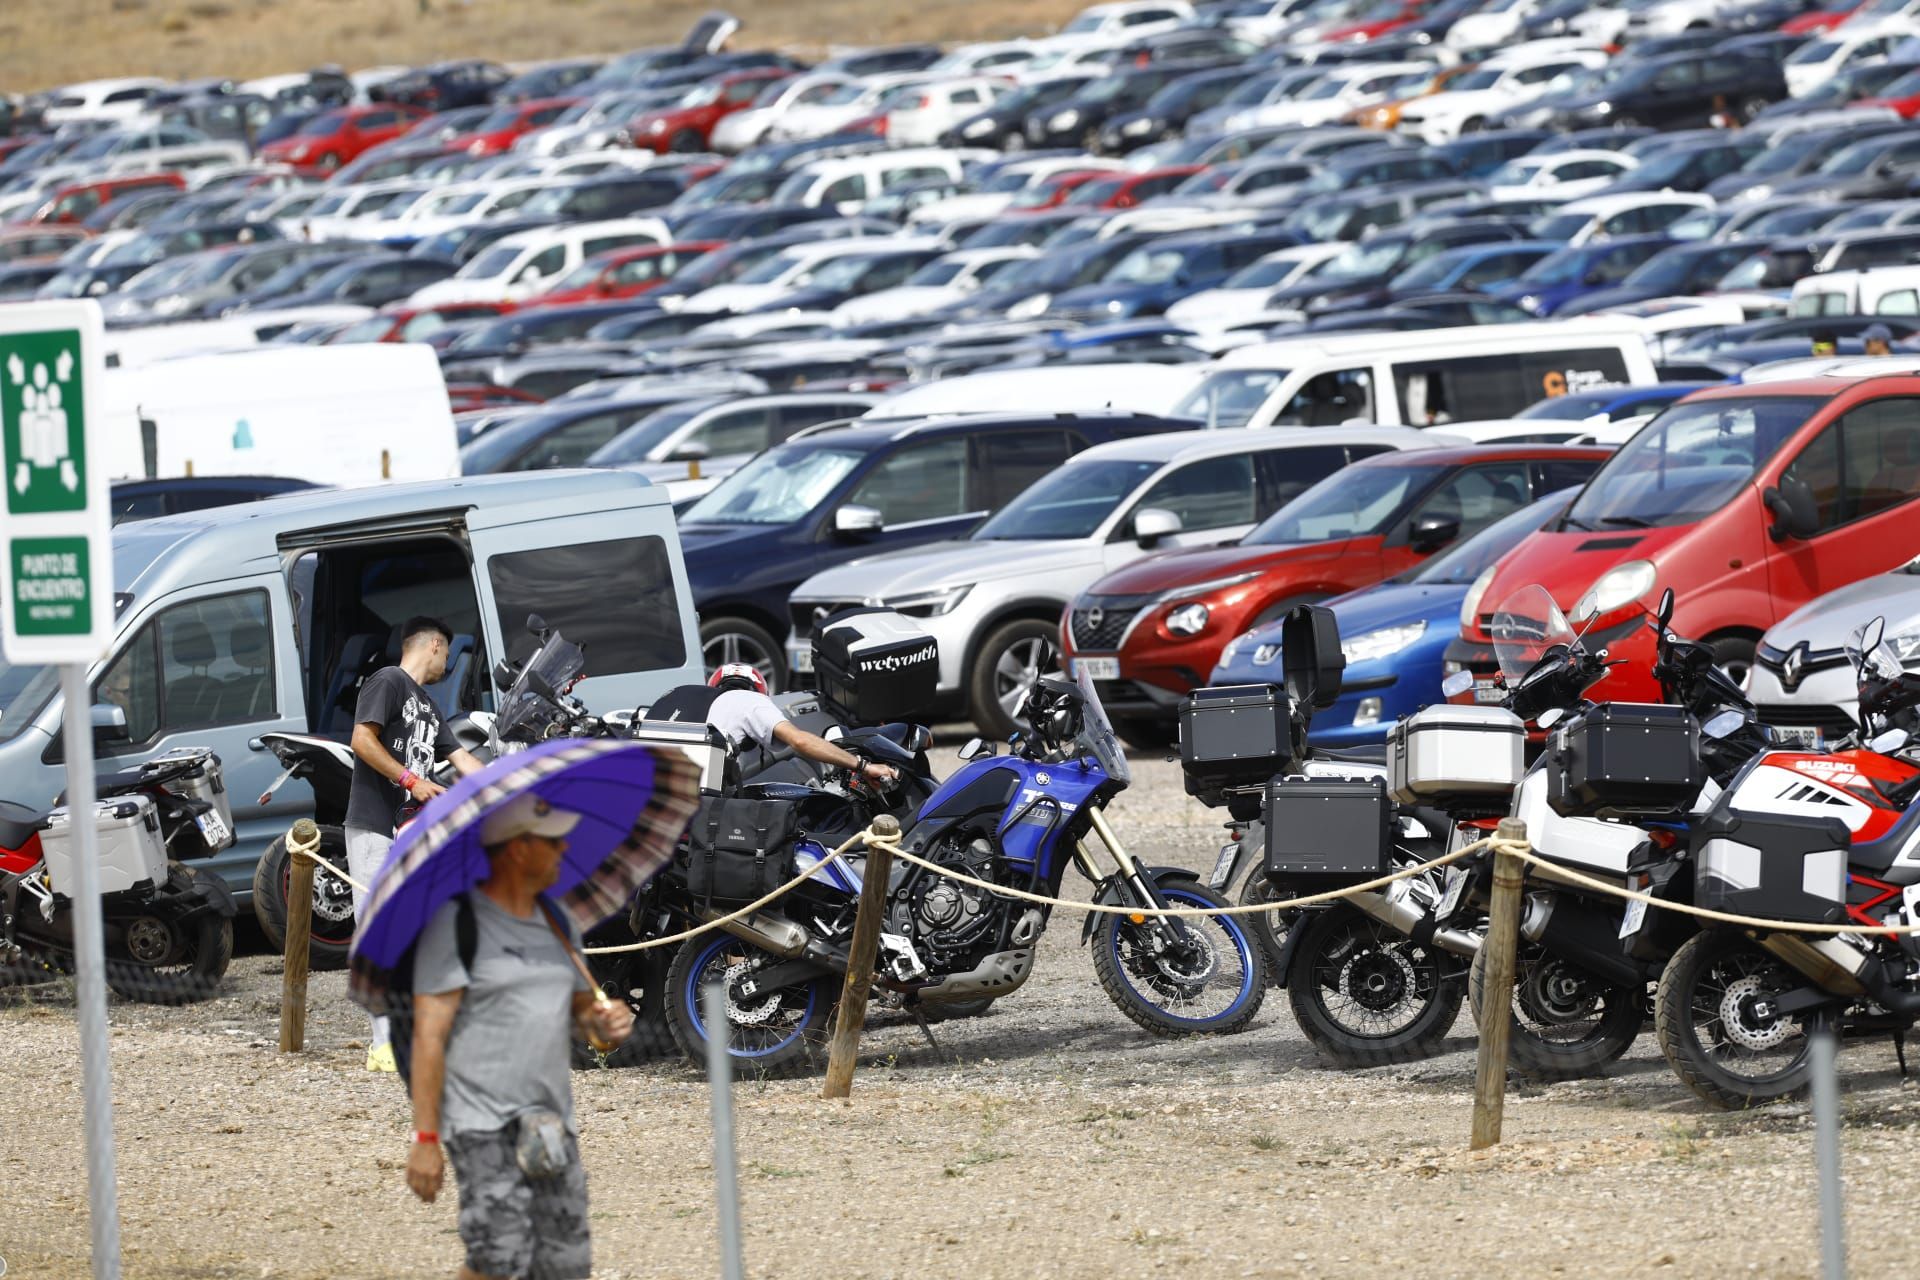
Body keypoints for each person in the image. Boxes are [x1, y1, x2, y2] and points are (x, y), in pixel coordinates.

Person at [404, 793, 633, 1280]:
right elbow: (428, 1036)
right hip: (480, 1122)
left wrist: (606, 1026)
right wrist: (425, 1138)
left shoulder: (558, 921)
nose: (564, 849)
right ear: (516, 848)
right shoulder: (457, 923)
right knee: (498, 1258)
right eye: (553, 842)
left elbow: (583, 1020)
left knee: (565, 1264)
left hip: (551, 1121)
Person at [346, 616, 485, 1071]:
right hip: (373, 827)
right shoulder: (388, 681)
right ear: (435, 646)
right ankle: (381, 1045)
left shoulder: (428, 706)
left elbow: (463, 759)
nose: (447, 660)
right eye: (447, 652)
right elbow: (361, 740)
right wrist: (411, 779)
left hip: (408, 837)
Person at [655, 663, 897, 785]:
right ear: (761, 690)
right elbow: (800, 741)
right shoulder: (751, 701)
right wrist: (863, 766)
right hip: (696, 797)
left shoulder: (677, 693)